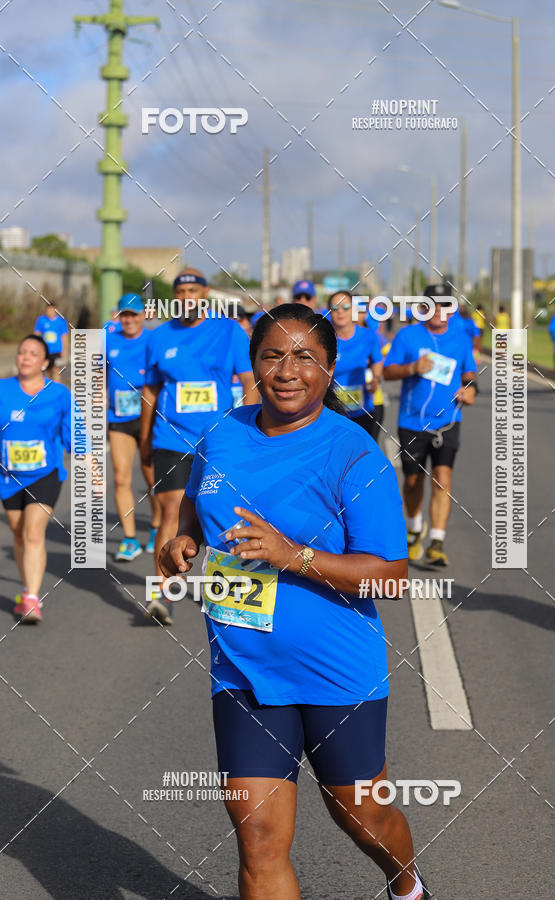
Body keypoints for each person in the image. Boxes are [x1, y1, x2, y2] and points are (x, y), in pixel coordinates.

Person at [159, 303, 430, 900]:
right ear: (252, 365)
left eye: (305, 356)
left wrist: (293, 556)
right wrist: (181, 540)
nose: (287, 369)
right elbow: (195, 503)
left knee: (364, 817)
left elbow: (390, 576)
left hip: (336, 672)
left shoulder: (352, 452)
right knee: (257, 839)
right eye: (272, 355)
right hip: (244, 670)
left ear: (330, 369)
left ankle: (406, 884)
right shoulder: (223, 432)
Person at [140, 268, 259, 625]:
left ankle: (231, 591)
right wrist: (145, 438)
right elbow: (150, 390)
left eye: (194, 289)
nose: (187, 295)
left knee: (224, 515)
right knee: (171, 512)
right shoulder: (159, 337)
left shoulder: (229, 331)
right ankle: (163, 594)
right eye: (181, 291)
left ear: (205, 293)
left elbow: (249, 382)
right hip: (170, 437)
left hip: (220, 440)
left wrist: (248, 432)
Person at [383, 285, 478, 566]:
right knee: (412, 482)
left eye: (445, 305)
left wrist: (471, 389)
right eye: (433, 305)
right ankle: (414, 530)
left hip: (447, 422)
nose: (439, 311)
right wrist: (413, 368)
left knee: (442, 479)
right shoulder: (408, 336)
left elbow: (469, 372)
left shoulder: (461, 339)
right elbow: (388, 372)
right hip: (411, 422)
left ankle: (437, 541)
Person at [0, 335, 72, 623]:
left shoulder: (59, 393)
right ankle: (27, 591)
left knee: (32, 532)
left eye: (33, 354)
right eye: (21, 352)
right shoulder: (3, 389)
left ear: (45, 362)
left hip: (45, 473)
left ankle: (31, 597)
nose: (25, 357)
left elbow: (73, 431)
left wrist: (89, 462)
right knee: (18, 534)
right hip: (8, 477)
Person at [107, 293, 161, 561]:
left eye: (134, 314)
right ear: (118, 316)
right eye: (124, 315)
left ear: (143, 316)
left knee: (152, 479)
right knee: (120, 477)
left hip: (148, 418)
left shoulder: (153, 340)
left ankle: (155, 527)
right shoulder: (108, 340)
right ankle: (129, 539)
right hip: (118, 418)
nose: (129, 319)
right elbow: (96, 373)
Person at [328, 290, 383, 436]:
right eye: (335, 308)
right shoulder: (325, 339)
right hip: (334, 413)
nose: (340, 312)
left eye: (345, 307)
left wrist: (375, 379)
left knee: (364, 457)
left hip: (363, 411)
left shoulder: (367, 336)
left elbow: (377, 360)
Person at [34, 302, 69, 383]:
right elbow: (36, 334)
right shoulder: (41, 320)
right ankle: (49, 388)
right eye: (48, 310)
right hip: (45, 350)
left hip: (57, 350)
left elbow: (64, 336)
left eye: (52, 310)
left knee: (56, 370)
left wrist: (65, 350)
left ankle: (57, 388)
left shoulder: (61, 321)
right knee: (47, 370)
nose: (50, 312)